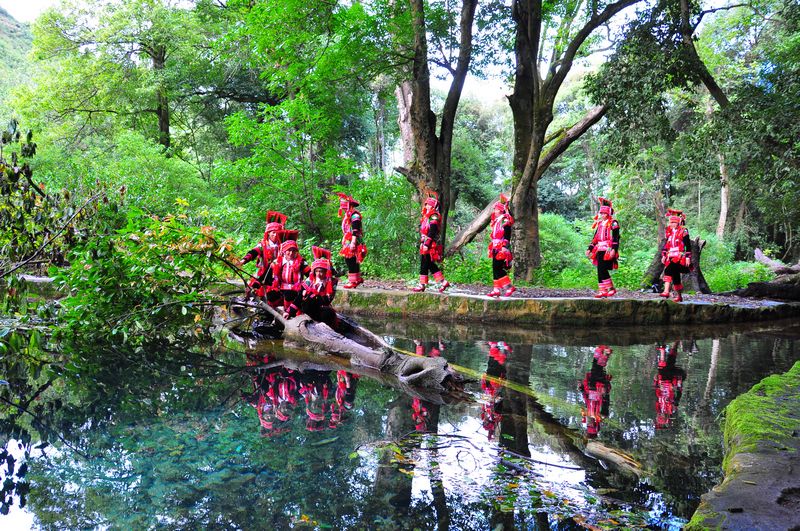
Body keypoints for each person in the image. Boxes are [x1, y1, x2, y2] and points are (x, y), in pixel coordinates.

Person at [239, 211, 286, 298]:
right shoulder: (263, 244)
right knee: (255, 286)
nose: (275, 235)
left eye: (277, 233)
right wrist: (243, 260)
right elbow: (253, 252)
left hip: (279, 273)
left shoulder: (283, 245)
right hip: (264, 271)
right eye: (273, 232)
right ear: (268, 233)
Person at [412, 192, 451, 293]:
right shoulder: (426, 216)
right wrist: (422, 242)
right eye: (426, 204)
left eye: (429, 204)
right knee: (428, 264)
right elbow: (424, 230)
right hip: (425, 242)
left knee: (425, 263)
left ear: (433, 206)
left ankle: (422, 284)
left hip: (430, 244)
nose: (427, 205)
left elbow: (432, 231)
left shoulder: (434, 216)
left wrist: (426, 244)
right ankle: (443, 282)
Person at [264, 235, 311, 317]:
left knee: (289, 294)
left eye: (293, 250)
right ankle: (272, 315)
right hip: (281, 288)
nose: (291, 253)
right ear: (284, 251)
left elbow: (311, 275)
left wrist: (304, 287)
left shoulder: (301, 262)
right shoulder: (277, 262)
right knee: (271, 295)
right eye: (289, 250)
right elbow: (266, 277)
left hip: (296, 289)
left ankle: (289, 314)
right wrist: (257, 285)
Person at [586, 197, 620, 298]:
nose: (602, 215)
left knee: (603, 268)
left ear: (608, 213)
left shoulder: (614, 223)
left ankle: (611, 288)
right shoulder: (600, 224)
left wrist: (614, 249)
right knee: (599, 269)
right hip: (599, 249)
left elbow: (616, 238)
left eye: (604, 213)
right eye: (601, 213)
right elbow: (595, 238)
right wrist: (589, 249)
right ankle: (602, 290)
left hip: (608, 249)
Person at [299, 246, 338, 329]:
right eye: (317, 271)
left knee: (327, 313)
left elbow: (329, 299)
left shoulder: (333, 282)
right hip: (310, 306)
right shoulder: (310, 279)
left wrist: (317, 295)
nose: (318, 274)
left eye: (321, 271)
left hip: (322, 306)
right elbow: (301, 296)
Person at [579, 345, 613, 439]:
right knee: (596, 368)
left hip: (591, 386)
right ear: (595, 425)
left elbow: (586, 399)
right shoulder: (601, 415)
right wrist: (605, 393)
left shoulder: (588, 413)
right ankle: (605, 353)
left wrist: (581, 388)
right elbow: (606, 402)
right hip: (599, 387)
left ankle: (602, 350)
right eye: (591, 425)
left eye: (588, 426)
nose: (589, 423)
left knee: (595, 367)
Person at [335, 192, 367, 289]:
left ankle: (353, 280)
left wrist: (353, 242)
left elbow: (355, 229)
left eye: (343, 202)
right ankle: (357, 278)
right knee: (351, 259)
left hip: (353, 239)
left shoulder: (354, 214)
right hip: (348, 239)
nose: (342, 205)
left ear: (349, 204)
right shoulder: (347, 214)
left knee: (350, 259)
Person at [660, 209, 692, 302]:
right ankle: (679, 296)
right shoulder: (669, 231)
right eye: (671, 222)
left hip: (680, 257)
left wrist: (687, 257)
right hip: (670, 256)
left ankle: (666, 291)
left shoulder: (683, 231)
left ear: (678, 222)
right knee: (675, 275)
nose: (672, 224)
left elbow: (688, 245)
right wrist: (664, 255)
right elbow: (667, 244)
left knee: (669, 269)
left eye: (674, 222)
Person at [487, 194, 515, 297]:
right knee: (494, 267)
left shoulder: (505, 219)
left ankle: (509, 287)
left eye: (496, 209)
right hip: (495, 246)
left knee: (498, 268)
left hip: (501, 247)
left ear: (500, 210)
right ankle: (496, 289)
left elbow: (507, 233)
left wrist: (504, 247)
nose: (494, 211)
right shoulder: (497, 220)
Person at [653, 342, 687, 430]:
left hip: (665, 378)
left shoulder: (658, 406)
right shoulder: (672, 408)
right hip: (674, 377)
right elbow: (678, 391)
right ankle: (664, 349)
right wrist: (679, 382)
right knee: (666, 368)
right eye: (661, 418)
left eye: (658, 418)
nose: (660, 416)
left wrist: (656, 381)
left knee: (667, 366)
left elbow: (657, 391)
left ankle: (670, 347)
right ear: (666, 418)